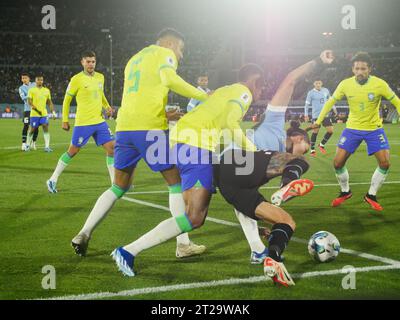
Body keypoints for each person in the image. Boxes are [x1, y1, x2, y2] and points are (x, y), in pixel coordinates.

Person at [110, 63, 264, 277]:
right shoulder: (243, 92)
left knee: (237, 188)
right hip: (195, 145)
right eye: (261, 87)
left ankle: (257, 249)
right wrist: (255, 151)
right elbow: (230, 122)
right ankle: (128, 251)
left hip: (185, 141)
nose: (261, 92)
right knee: (195, 217)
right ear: (255, 82)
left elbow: (214, 120)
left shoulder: (224, 90)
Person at [71, 28, 208, 258]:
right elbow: (169, 78)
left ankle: (83, 233)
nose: (180, 56)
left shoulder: (135, 59)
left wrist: (164, 113)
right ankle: (183, 244)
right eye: (181, 50)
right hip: (150, 130)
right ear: (171, 44)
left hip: (124, 128)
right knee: (175, 182)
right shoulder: (166, 54)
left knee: (118, 186)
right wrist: (204, 96)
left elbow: (140, 96)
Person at [220, 51, 333, 282]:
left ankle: (272, 259)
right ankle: (287, 185)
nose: (307, 148)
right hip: (239, 160)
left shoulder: (270, 161)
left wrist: (258, 224)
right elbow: (291, 78)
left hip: (229, 180)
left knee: (286, 221)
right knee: (301, 162)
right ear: (299, 138)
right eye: (306, 144)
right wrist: (319, 62)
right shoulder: (274, 122)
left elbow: (242, 195)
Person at [311, 52, 400, 211]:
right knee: (337, 163)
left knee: (385, 163)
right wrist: (318, 122)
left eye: (363, 68)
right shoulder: (345, 84)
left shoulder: (380, 84)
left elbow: (397, 102)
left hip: (374, 129)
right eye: (357, 68)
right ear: (352, 69)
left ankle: (371, 195)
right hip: (352, 129)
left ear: (369, 69)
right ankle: (345, 192)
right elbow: (330, 103)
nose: (360, 71)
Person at [46, 51, 115, 194]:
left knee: (112, 149)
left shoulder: (100, 77)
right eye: (88, 61)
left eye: (93, 62)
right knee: (73, 151)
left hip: (99, 122)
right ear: (82, 62)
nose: (91, 64)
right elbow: (66, 100)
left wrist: (107, 107)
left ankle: (115, 183)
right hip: (83, 123)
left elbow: (100, 95)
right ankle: (52, 179)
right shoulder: (76, 79)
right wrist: (64, 120)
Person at [304, 78, 337, 156]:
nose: (318, 85)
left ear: (321, 83)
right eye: (316, 83)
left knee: (330, 131)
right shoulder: (310, 93)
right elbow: (307, 105)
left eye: (319, 83)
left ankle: (321, 145)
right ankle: (312, 150)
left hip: (325, 114)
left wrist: (334, 109)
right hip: (316, 115)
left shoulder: (326, 90)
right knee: (315, 132)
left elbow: (331, 100)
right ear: (314, 84)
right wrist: (306, 114)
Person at [25, 75, 56, 152]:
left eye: (41, 80)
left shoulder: (46, 90)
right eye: (38, 80)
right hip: (34, 114)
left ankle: (47, 147)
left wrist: (53, 112)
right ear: (35, 81)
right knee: (32, 129)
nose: (40, 81)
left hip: (44, 114)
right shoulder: (31, 90)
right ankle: (27, 145)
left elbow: (49, 102)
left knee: (45, 126)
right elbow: (29, 101)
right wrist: (34, 107)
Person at [19, 73, 38, 151]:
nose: (24, 79)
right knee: (26, 126)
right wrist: (31, 94)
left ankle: (33, 142)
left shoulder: (34, 84)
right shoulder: (21, 88)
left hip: (35, 109)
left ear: (29, 78)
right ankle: (24, 143)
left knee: (35, 127)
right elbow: (23, 98)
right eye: (22, 78)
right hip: (27, 110)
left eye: (25, 78)